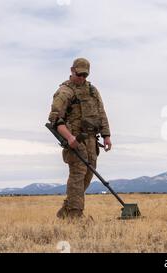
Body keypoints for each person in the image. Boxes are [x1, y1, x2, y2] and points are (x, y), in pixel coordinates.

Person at [48, 57, 112, 219]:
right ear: (72, 70)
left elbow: (101, 113)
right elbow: (55, 120)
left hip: (92, 140)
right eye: (79, 74)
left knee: (88, 175)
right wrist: (70, 138)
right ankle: (75, 215)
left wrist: (106, 135)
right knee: (78, 174)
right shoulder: (64, 92)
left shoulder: (92, 91)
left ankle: (66, 211)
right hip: (76, 140)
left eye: (85, 75)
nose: (82, 78)